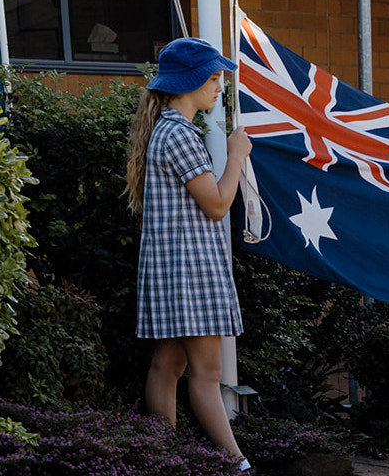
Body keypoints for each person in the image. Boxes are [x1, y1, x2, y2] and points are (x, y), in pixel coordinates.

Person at [125, 37, 256, 475]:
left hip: (173, 270)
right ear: (190, 82)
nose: (220, 86)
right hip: (189, 272)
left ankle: (162, 459)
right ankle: (237, 464)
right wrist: (236, 156)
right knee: (206, 371)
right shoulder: (180, 135)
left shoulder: (167, 130)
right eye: (214, 78)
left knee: (170, 362)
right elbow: (217, 204)